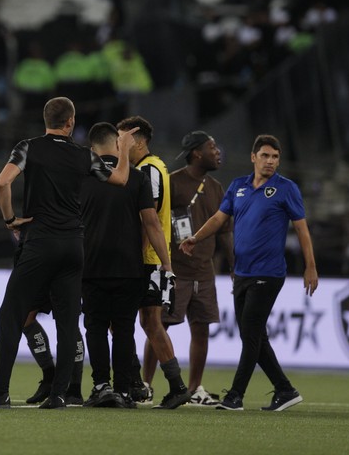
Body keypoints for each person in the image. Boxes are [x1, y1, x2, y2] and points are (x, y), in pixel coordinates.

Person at [0, 97, 136, 409]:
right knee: (67, 322)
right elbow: (121, 179)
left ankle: (0, 391)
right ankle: (59, 394)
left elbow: (2, 183)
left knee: (11, 314)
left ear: (46, 120)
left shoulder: (28, 147)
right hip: (73, 245)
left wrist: (10, 219)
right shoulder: (85, 155)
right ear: (70, 122)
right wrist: (124, 148)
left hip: (40, 241)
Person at [181, 135, 318, 411]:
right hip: (242, 272)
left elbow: (302, 229)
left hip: (269, 273)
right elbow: (219, 219)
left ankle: (235, 396)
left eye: (275, 157)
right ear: (253, 157)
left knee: (252, 333)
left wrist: (310, 266)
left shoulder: (286, 188)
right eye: (265, 156)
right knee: (253, 335)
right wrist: (195, 237)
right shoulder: (238, 187)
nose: (270, 161)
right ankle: (285, 390)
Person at [80, 122, 172, 409]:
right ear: (118, 144)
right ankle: (122, 390)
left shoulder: (82, 176)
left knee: (96, 327)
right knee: (123, 329)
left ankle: (100, 386)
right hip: (129, 266)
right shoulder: (137, 177)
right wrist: (167, 263)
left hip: (91, 264)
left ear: (92, 148)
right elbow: (151, 223)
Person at [116, 116, 189, 408]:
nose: (119, 145)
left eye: (122, 139)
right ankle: (173, 385)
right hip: (150, 259)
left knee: (125, 321)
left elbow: (148, 218)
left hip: (145, 260)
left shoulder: (148, 170)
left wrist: (137, 256)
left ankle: (139, 383)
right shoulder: (152, 167)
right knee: (149, 322)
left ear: (138, 141)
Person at [167, 131, 233, 406]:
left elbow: (225, 232)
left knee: (201, 329)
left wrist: (234, 266)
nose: (218, 152)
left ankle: (195, 388)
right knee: (160, 326)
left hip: (205, 271)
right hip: (175, 269)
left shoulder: (217, 187)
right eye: (212, 147)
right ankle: (145, 385)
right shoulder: (173, 182)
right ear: (196, 153)